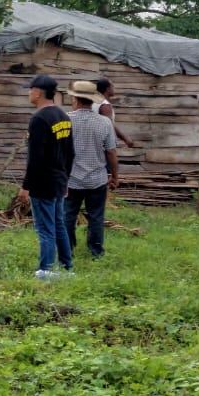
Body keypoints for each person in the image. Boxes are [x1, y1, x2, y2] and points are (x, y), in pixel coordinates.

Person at [14, 73, 74, 281]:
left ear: (38, 92)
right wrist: (65, 179)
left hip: (43, 182)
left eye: (30, 90)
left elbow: (36, 158)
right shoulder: (63, 117)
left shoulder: (39, 119)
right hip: (58, 180)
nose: (29, 93)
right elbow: (70, 153)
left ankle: (46, 271)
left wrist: (26, 186)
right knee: (58, 224)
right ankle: (67, 267)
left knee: (45, 228)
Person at [63, 80, 119, 262]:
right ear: (92, 100)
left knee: (67, 215)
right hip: (97, 178)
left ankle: (67, 249)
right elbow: (111, 152)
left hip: (70, 179)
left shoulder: (65, 120)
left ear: (75, 98)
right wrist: (115, 176)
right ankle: (96, 252)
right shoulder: (104, 123)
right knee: (96, 216)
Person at [94, 78, 134, 148]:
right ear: (108, 89)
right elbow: (110, 125)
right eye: (112, 86)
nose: (114, 88)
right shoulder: (104, 105)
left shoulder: (96, 102)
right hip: (104, 145)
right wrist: (126, 139)